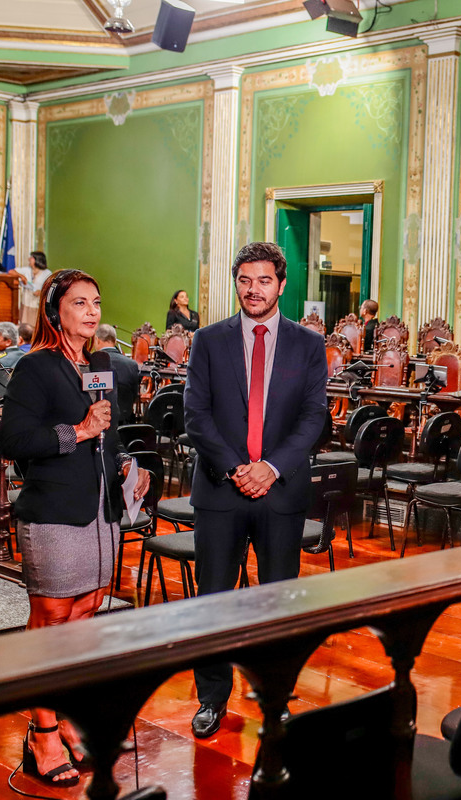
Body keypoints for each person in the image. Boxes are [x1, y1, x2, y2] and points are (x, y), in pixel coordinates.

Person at [0, 269, 150, 788]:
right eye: (79, 302)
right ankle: (40, 731)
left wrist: (128, 462)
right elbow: (15, 440)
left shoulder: (102, 364)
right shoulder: (34, 368)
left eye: (97, 302)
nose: (91, 311)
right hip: (53, 513)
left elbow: (108, 431)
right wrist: (78, 431)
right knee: (53, 619)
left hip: (100, 511)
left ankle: (65, 718)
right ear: (53, 310)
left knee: (86, 613)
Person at [183, 241, 328, 738]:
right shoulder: (207, 340)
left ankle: (275, 695)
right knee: (215, 601)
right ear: (236, 282)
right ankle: (211, 699)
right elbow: (196, 416)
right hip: (221, 491)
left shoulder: (308, 345)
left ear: (282, 285)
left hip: (281, 492)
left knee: (276, 603)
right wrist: (237, 468)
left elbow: (314, 418)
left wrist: (270, 468)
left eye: (264, 280)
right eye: (245, 280)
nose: (253, 289)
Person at [94, 324, 141, 426]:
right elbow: (135, 394)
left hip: (100, 422)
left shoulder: (93, 363)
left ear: (97, 340)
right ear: (115, 341)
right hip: (125, 420)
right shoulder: (132, 365)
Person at [15, 251, 52, 327]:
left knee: (35, 325)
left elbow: (50, 288)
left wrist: (41, 291)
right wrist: (21, 276)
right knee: (24, 324)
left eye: (31, 258)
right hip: (26, 302)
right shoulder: (27, 270)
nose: (29, 259)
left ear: (37, 259)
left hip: (37, 304)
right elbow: (11, 271)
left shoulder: (47, 273)